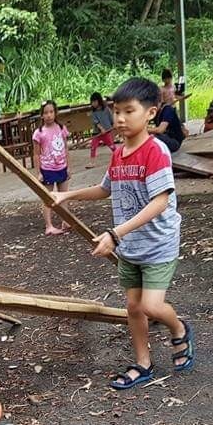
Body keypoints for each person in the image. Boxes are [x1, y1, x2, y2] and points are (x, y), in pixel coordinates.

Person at [51, 77, 196, 389]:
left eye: (128, 111)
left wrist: (116, 234)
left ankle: (179, 328)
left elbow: (160, 202)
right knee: (133, 307)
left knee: (151, 306)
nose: (119, 119)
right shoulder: (118, 154)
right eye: (116, 111)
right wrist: (67, 196)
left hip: (157, 243)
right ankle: (143, 364)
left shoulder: (155, 152)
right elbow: (105, 189)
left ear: (151, 113)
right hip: (130, 245)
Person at [31, 101, 71, 236]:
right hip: (47, 168)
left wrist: (68, 167)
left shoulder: (61, 128)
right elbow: (36, 154)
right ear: (41, 115)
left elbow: (65, 148)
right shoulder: (39, 133)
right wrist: (39, 172)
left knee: (64, 196)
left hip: (62, 167)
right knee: (47, 198)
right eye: (46, 113)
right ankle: (49, 225)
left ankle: (65, 220)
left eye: (51, 112)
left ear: (55, 113)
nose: (49, 115)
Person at [87, 91, 117, 168]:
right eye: (92, 102)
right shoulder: (94, 112)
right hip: (97, 133)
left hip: (106, 132)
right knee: (93, 147)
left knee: (112, 147)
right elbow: (97, 122)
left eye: (94, 101)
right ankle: (92, 163)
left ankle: (119, 158)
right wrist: (101, 129)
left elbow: (111, 118)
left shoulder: (106, 109)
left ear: (99, 101)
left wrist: (113, 124)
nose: (93, 103)